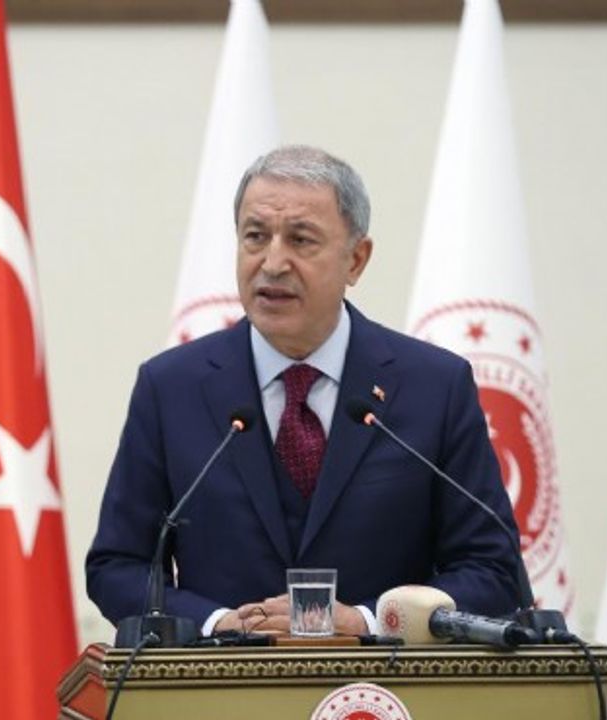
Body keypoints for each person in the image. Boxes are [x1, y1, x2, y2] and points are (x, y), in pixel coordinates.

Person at [86, 145, 525, 637]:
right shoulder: (171, 388)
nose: (273, 263)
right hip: (223, 678)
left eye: (301, 240)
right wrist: (218, 624)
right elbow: (118, 566)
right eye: (256, 236)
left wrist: (367, 621)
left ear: (356, 260)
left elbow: (492, 568)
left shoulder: (434, 386)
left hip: (383, 681)